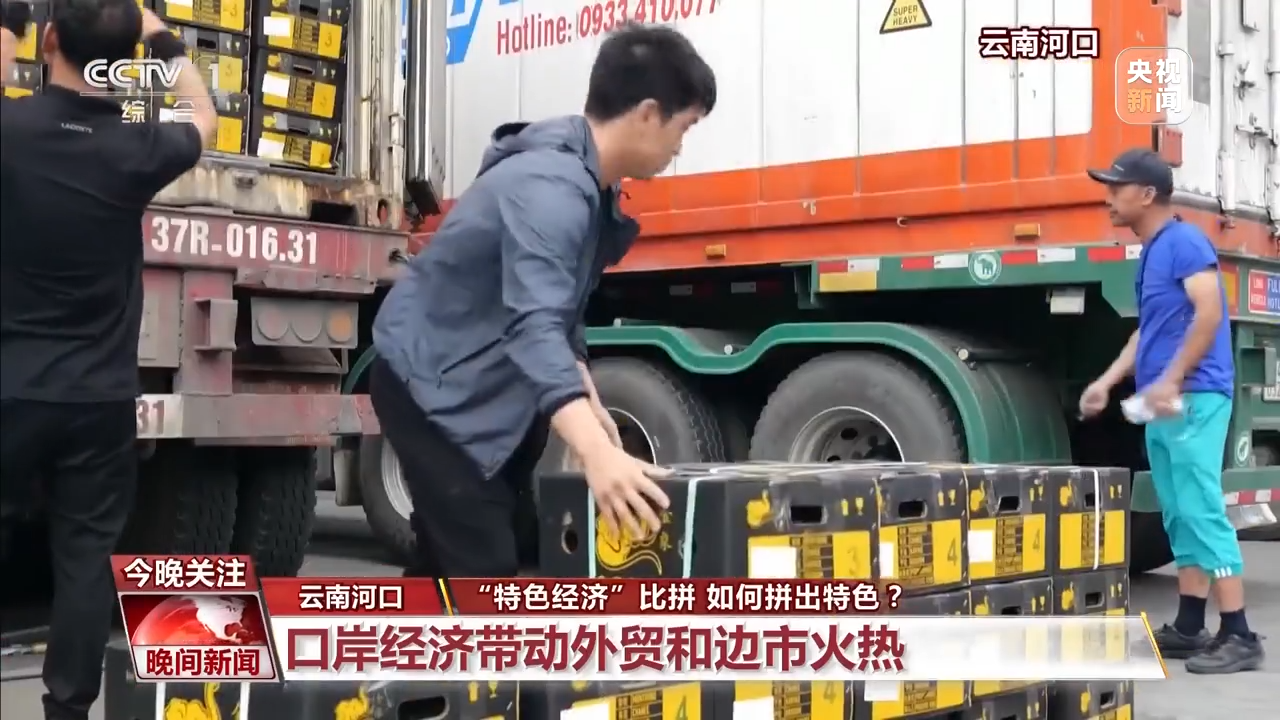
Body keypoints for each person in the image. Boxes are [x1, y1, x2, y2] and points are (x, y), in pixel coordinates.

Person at [370, 22, 717, 578]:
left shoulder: (590, 183)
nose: (681, 146)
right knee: (484, 568)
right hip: (432, 383)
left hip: (484, 381)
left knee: (473, 555)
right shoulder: (552, 188)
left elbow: (558, 312)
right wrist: (597, 456)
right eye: (685, 127)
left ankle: (415, 627)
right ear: (649, 113)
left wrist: (589, 407)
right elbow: (533, 327)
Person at [0, 2, 216, 717]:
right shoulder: (136, 146)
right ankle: (67, 708)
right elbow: (204, 117)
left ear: (49, 40)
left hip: (10, 387)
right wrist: (163, 40)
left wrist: (9, 27)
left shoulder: (10, 130)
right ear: (125, 61)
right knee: (85, 561)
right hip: (97, 398)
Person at [1079, 149, 1264, 674]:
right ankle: (1188, 625)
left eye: (1116, 187)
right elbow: (1148, 332)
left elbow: (1209, 313)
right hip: (1165, 401)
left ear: (1147, 194)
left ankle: (1239, 633)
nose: (1108, 198)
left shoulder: (1184, 242)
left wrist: (1174, 378)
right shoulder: (1153, 251)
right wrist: (1107, 382)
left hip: (1195, 396)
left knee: (1201, 508)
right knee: (1178, 511)